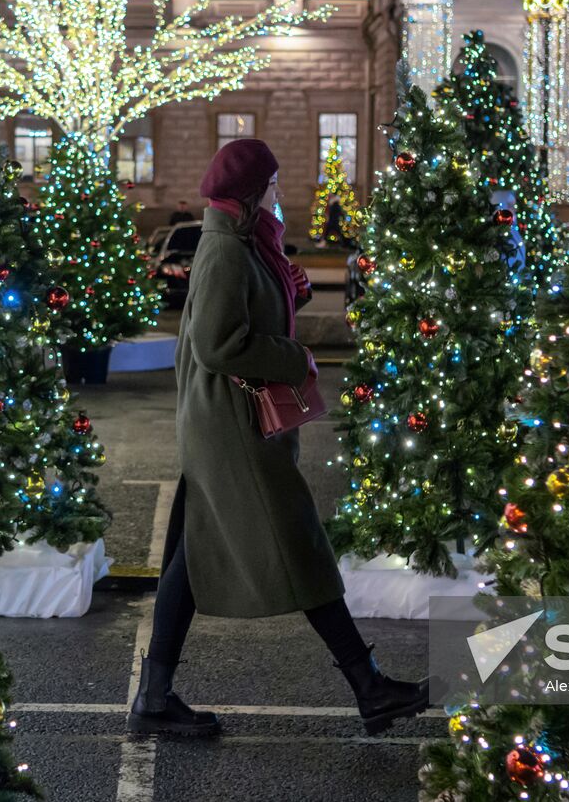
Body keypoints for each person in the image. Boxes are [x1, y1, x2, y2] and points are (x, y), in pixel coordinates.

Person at [128, 139, 427, 737]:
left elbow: (244, 317)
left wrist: (290, 293)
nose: (279, 194)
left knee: (190, 560)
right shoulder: (224, 251)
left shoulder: (243, 245)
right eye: (272, 184)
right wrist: (295, 357)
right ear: (250, 193)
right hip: (231, 426)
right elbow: (218, 343)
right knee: (299, 542)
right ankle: (369, 687)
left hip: (228, 422)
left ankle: (155, 699)